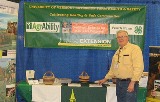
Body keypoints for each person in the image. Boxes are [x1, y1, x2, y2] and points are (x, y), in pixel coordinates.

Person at [98, 30, 144, 102]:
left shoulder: (134, 49)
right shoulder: (117, 52)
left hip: (129, 83)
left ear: (127, 38)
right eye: (118, 37)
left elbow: (138, 67)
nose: (120, 38)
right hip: (119, 83)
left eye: (123, 36)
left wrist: (133, 82)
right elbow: (113, 69)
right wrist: (105, 79)